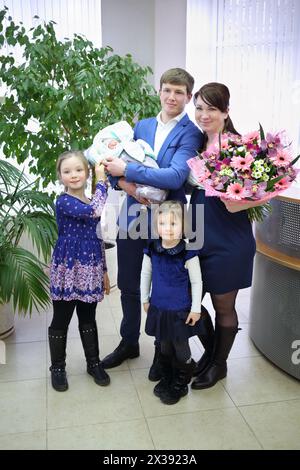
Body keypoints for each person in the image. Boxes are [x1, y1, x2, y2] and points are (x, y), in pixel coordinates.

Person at [101, 68, 203, 380]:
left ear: (187, 97)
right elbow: (111, 168)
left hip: (170, 219)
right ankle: (129, 341)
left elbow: (174, 176)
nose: (172, 97)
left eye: (179, 92)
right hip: (133, 215)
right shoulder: (141, 125)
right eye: (167, 90)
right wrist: (126, 184)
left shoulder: (191, 133)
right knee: (129, 284)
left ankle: (163, 351)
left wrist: (128, 173)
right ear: (158, 91)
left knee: (167, 285)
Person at [189, 82, 257, 389]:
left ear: (226, 112)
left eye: (211, 109)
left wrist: (243, 201)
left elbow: (267, 191)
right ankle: (212, 353)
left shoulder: (240, 147)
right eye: (200, 108)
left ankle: (219, 364)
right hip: (198, 234)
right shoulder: (198, 145)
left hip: (229, 239)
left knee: (223, 307)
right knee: (186, 299)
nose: (204, 115)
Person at [48, 150, 110, 392]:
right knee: (61, 318)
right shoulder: (63, 201)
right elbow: (94, 211)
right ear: (60, 176)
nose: (73, 175)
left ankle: (93, 363)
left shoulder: (89, 200)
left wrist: (104, 271)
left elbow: (98, 237)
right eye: (67, 171)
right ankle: (57, 368)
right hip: (68, 267)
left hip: (91, 266)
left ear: (86, 173)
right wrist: (102, 180)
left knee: (88, 317)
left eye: (78, 170)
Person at [141, 201, 203, 405]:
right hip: (159, 307)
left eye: (173, 224)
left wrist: (195, 309)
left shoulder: (187, 252)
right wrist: (145, 299)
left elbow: (196, 281)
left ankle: (181, 379)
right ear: (156, 225)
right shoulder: (152, 248)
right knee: (164, 345)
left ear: (183, 226)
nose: (167, 229)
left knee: (180, 345)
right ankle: (168, 375)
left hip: (179, 310)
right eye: (162, 223)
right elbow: (146, 274)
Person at [84, 120, 167, 203]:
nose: (112, 144)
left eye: (110, 140)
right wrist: (120, 182)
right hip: (136, 202)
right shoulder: (141, 126)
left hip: (154, 177)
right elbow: (106, 167)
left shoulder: (131, 139)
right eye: (106, 143)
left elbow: (175, 177)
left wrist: (125, 170)